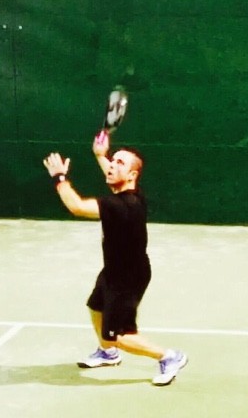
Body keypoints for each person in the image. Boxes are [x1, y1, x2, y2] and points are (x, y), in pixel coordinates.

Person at [42, 130, 187, 386]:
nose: (111, 166)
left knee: (119, 335)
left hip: (128, 278)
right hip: (114, 270)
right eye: (113, 160)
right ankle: (108, 353)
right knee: (96, 307)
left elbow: (77, 206)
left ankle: (169, 356)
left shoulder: (121, 206)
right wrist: (101, 155)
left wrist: (59, 177)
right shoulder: (132, 193)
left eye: (119, 163)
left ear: (132, 175)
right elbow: (112, 173)